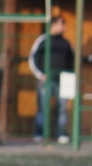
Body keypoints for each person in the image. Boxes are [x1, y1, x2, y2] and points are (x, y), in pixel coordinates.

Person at [29, 15, 75, 143]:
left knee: (62, 108)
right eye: (61, 23)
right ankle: (40, 133)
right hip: (47, 80)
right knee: (43, 107)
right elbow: (33, 59)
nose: (64, 27)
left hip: (63, 81)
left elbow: (72, 61)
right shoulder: (43, 40)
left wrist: (71, 76)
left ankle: (60, 133)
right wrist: (40, 75)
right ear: (54, 25)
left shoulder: (66, 43)